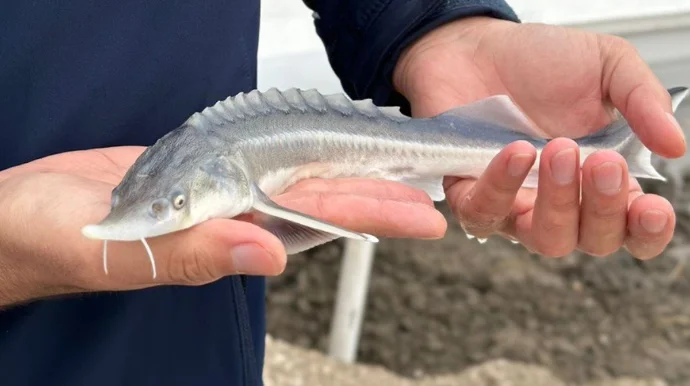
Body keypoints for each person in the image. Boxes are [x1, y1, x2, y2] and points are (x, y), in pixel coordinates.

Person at [0, 1, 682, 385]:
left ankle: (616, 149)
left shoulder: (220, 176)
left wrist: (429, 24)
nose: (163, 216)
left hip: (193, 345)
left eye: (173, 205)